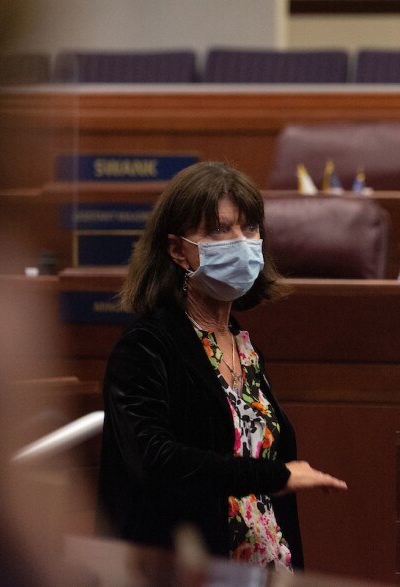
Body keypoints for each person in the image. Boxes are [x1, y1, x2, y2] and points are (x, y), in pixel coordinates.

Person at [96, 161, 347, 571]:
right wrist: (274, 476)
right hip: (185, 569)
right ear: (177, 250)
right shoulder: (146, 346)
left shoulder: (242, 343)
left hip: (264, 566)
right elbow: (156, 460)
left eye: (249, 229)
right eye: (219, 230)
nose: (241, 242)